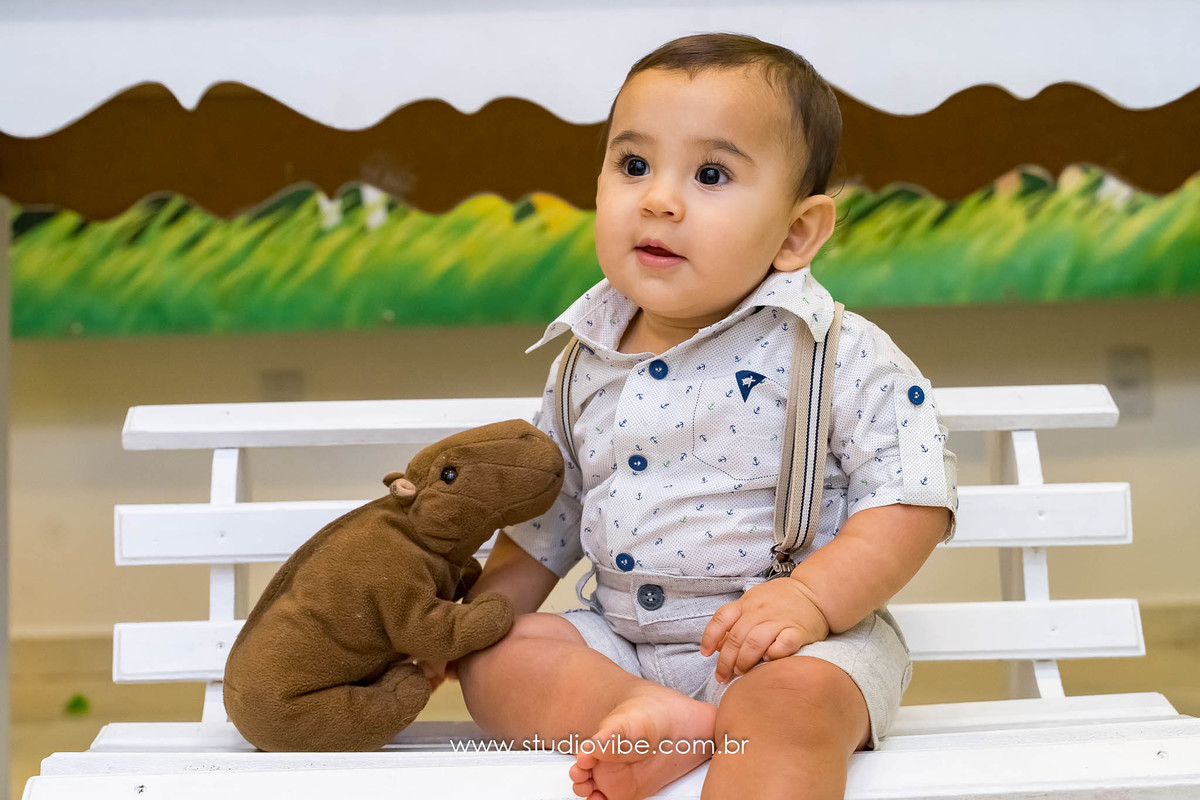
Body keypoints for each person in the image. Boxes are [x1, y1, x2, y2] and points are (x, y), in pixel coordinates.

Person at [442, 32, 959, 800]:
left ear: (797, 233)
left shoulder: (836, 352)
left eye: (711, 174)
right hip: (622, 644)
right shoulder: (584, 359)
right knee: (500, 657)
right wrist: (469, 625)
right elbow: (548, 523)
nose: (658, 199)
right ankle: (642, 716)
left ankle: (716, 736)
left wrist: (811, 599)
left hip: (795, 648)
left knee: (793, 706)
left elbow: (910, 494)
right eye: (633, 165)